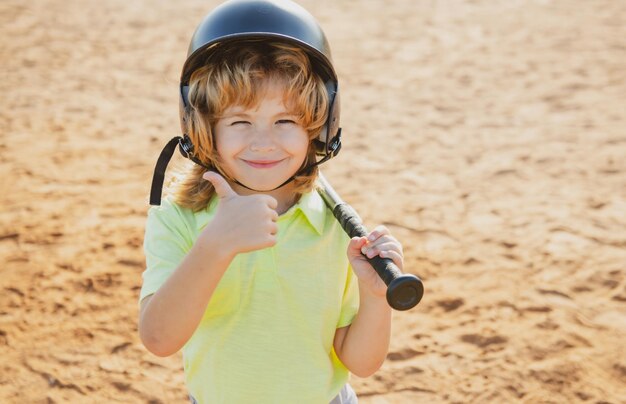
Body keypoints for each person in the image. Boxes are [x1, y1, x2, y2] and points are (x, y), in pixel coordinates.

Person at [138, 1, 404, 403]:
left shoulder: (333, 226)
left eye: (285, 121)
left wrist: (375, 297)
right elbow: (159, 338)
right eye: (240, 122)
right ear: (203, 127)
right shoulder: (179, 216)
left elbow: (361, 362)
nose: (264, 142)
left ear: (319, 125)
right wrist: (216, 244)